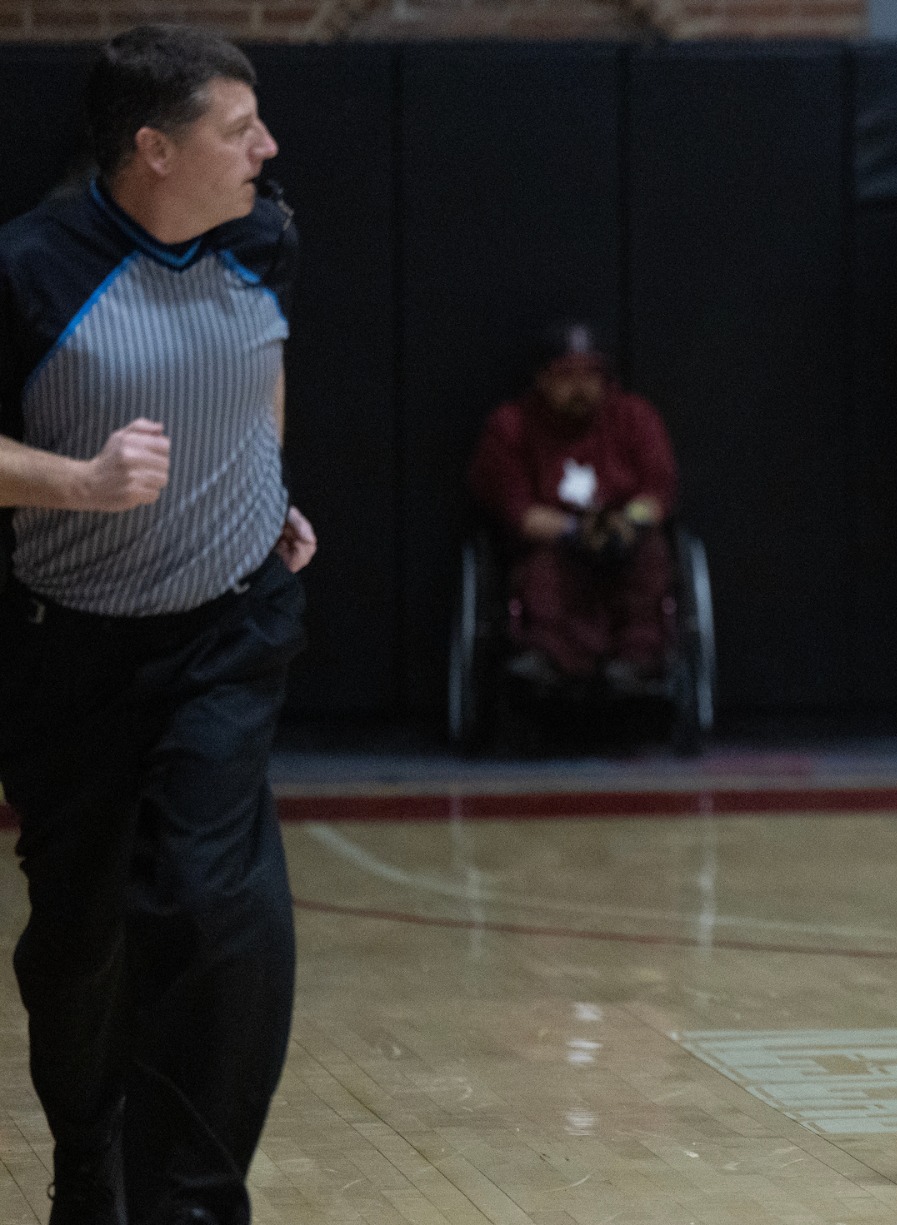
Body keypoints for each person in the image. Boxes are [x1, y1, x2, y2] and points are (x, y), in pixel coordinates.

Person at [0, 25, 315, 1225]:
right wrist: (77, 484)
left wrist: (267, 480)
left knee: (217, 910)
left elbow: (264, 363)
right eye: (238, 129)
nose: (267, 147)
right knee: (79, 949)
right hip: (69, 646)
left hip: (230, 628)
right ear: (152, 149)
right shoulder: (29, 268)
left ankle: (194, 1204)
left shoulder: (266, 235)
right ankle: (89, 1159)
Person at [468, 321, 679, 694]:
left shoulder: (635, 418)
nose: (580, 387)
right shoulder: (511, 427)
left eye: (589, 375)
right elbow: (517, 509)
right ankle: (551, 657)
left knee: (651, 555)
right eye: (566, 375)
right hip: (554, 538)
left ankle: (637, 660)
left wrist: (626, 522)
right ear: (542, 379)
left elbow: (657, 492)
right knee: (543, 566)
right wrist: (575, 531)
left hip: (623, 533)